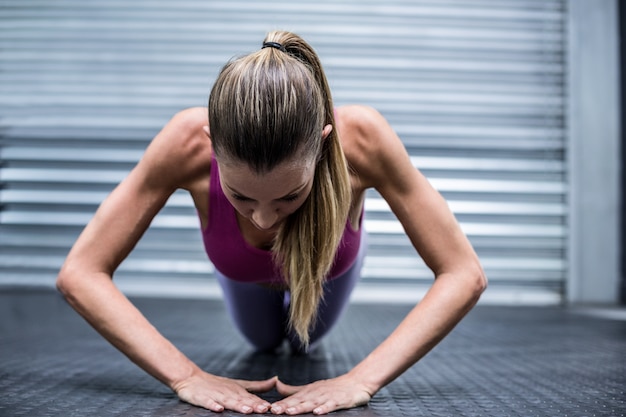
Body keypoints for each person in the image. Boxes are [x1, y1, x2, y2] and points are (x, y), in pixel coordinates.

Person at [56, 30, 487, 415]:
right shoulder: (185, 142)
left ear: (322, 145)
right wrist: (184, 376)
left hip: (327, 271)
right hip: (242, 274)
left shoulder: (364, 138)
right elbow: (80, 273)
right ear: (212, 145)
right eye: (240, 196)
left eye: (289, 196)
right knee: (263, 342)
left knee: (305, 344)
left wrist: (362, 380)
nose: (263, 219)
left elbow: (463, 273)